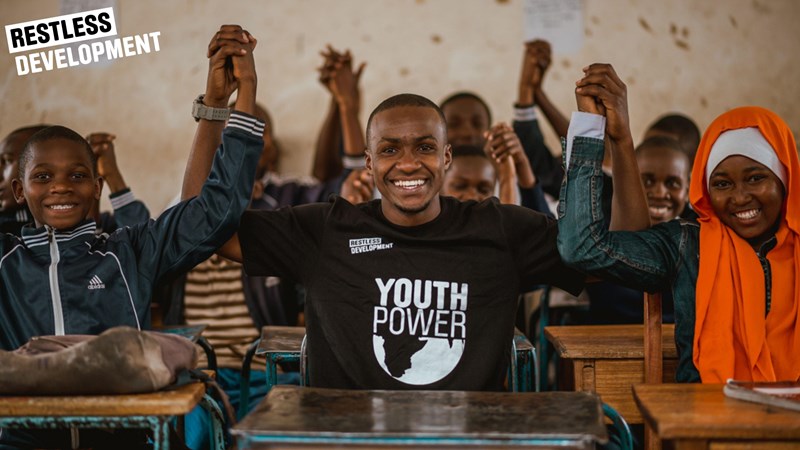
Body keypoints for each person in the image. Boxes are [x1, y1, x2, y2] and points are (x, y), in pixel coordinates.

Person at [184, 27, 582, 392]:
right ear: (370, 163)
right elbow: (198, 223)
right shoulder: (327, 230)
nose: (408, 164)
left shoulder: (498, 229)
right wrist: (217, 105)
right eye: (390, 150)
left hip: (463, 434)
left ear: (446, 157)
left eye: (425, 147)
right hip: (349, 434)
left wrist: (603, 138)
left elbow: (604, 253)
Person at [0, 25, 263, 448]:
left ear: (97, 187)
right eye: (42, 177)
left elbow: (216, 210)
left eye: (77, 175)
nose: (61, 186)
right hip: (22, 441)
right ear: (19, 191)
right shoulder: (6, 260)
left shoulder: (130, 251)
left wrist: (230, 99)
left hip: (123, 439)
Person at [559, 62, 800, 383]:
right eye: (722, 183)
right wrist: (592, 128)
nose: (740, 197)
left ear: (785, 180)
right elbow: (582, 248)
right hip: (705, 411)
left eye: (756, 178)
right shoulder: (688, 243)